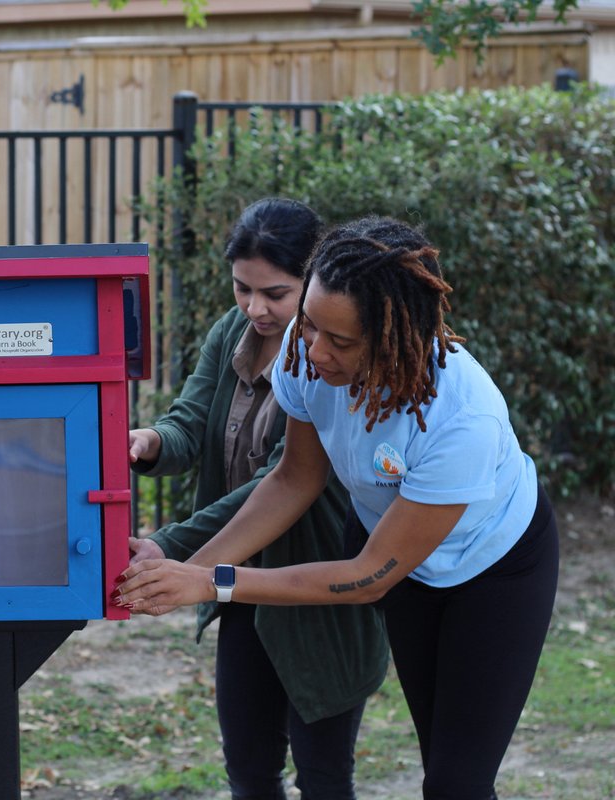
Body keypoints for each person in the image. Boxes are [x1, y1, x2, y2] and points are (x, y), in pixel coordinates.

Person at [116, 216, 559, 800]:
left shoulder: (461, 420)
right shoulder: (306, 351)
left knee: (457, 782)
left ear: (397, 338)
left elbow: (364, 578)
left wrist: (212, 583)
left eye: (342, 342)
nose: (315, 352)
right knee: (439, 762)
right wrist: (186, 571)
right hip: (394, 550)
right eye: (312, 327)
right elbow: (292, 481)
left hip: (494, 569)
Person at [127, 198, 388, 800]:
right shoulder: (232, 331)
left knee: (323, 778)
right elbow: (191, 424)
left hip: (317, 584)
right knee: (248, 770)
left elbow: (279, 481)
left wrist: (171, 548)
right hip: (234, 579)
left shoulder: (330, 357)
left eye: (275, 292)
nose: (256, 308)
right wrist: (150, 441)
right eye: (243, 289)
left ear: (314, 282)